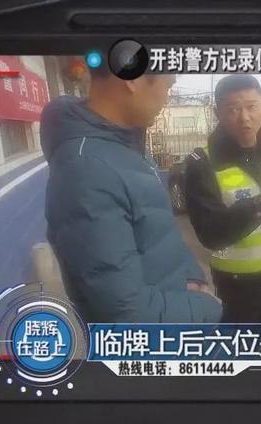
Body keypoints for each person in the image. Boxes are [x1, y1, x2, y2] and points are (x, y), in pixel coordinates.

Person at [39, 63, 222, 324]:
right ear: (132, 79)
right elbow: (125, 312)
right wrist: (207, 307)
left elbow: (157, 235)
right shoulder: (86, 170)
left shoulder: (122, 146)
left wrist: (191, 280)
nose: (167, 98)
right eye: (168, 85)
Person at [185, 75, 261, 323]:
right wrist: (260, 205)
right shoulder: (202, 163)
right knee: (242, 345)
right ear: (217, 113)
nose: (244, 117)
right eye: (233, 109)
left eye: (252, 106)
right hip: (236, 285)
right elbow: (210, 233)